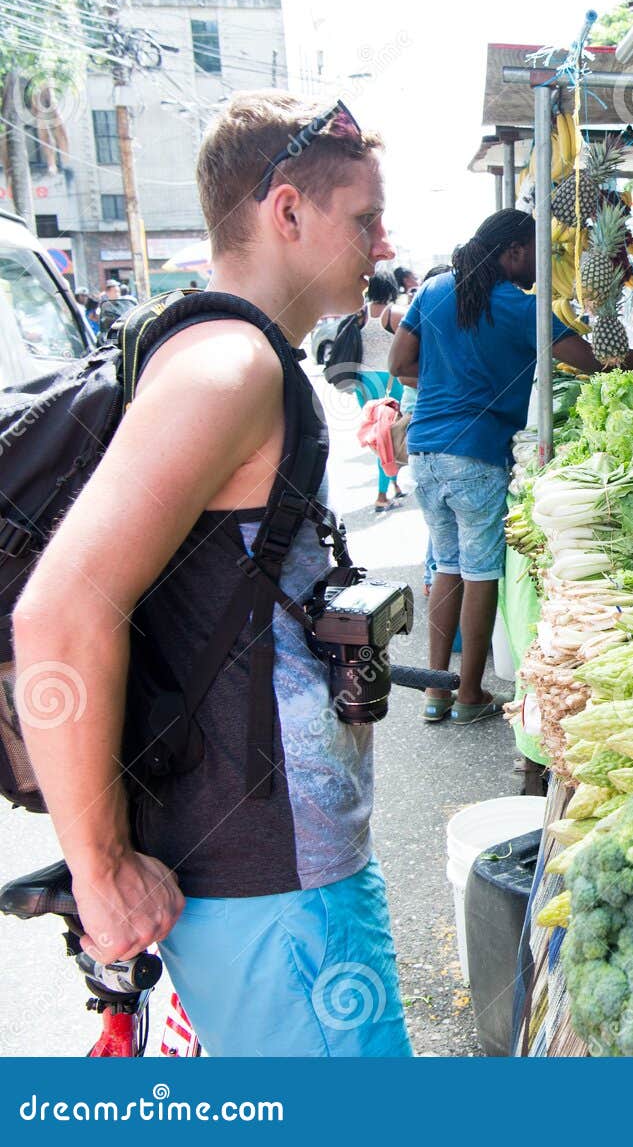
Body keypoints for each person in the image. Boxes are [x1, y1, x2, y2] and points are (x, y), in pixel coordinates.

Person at [13, 91, 411, 1057]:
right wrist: (102, 874)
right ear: (287, 211)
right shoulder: (229, 365)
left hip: (262, 870)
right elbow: (59, 616)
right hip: (265, 883)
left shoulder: (214, 347)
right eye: (363, 217)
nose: (382, 241)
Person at [389, 208, 633, 725]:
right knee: (481, 570)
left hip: (424, 452)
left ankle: (436, 693)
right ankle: (470, 694)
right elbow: (592, 360)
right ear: (513, 252)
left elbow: (399, 366)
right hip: (476, 456)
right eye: (535, 252)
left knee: (446, 566)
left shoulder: (434, 291)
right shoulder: (520, 308)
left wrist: (450, 385)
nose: (542, 265)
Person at [352, 269, 406, 511]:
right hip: (389, 382)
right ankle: (381, 496)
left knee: (379, 436)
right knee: (388, 439)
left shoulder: (359, 314)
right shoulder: (392, 314)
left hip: (362, 382)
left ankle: (393, 485)